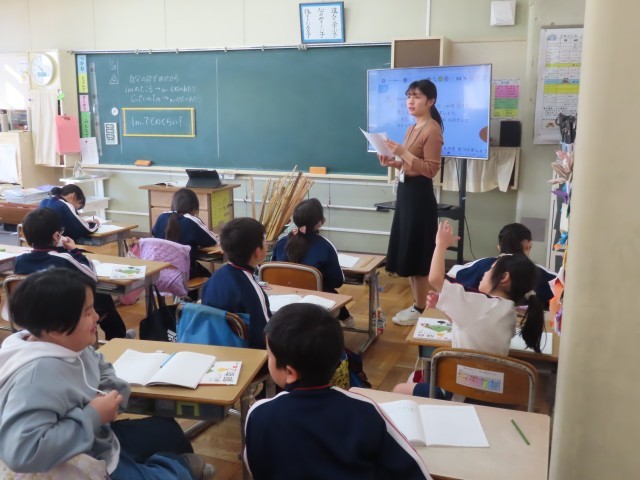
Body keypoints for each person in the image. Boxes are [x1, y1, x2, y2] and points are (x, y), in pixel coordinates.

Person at [0, 268, 214, 479]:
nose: (97, 316)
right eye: (87, 312)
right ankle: (176, 469)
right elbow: (23, 452)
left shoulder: (66, 342)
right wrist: (92, 414)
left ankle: (167, 466)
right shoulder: (34, 378)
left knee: (168, 430)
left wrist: (109, 396)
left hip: (96, 437)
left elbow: (101, 366)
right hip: (75, 462)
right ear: (56, 328)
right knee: (169, 472)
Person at [244, 303, 431, 480]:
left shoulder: (260, 414)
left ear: (291, 373)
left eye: (269, 354)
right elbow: (414, 471)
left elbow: (257, 467)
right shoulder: (364, 409)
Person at [393, 221, 545, 399]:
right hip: (489, 393)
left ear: (503, 278)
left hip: (457, 391)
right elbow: (471, 327)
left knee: (399, 389)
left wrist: (441, 245)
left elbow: (434, 279)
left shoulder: (477, 302)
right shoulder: (509, 312)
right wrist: (445, 309)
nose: (485, 274)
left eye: (490, 270)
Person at [378, 79, 444, 326]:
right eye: (409, 96)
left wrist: (402, 153)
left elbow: (430, 170)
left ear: (431, 101)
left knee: (419, 252)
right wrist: (393, 162)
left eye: (416, 96)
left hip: (419, 197)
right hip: (406, 194)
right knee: (410, 249)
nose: (411, 101)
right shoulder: (412, 128)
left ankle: (422, 307)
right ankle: (418, 305)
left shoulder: (432, 129)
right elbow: (409, 164)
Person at [15, 207, 132, 340]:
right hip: (66, 314)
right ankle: (118, 337)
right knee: (102, 297)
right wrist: (75, 250)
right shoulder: (65, 259)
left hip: (34, 314)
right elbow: (92, 275)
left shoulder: (19, 261)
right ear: (56, 236)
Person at [272, 198, 355, 328]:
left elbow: (273, 272)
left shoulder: (281, 242)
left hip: (281, 300)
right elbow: (337, 281)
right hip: (314, 303)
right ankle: (346, 319)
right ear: (320, 222)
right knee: (327, 289)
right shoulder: (325, 246)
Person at [449, 222, 557, 308]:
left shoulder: (482, 265)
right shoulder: (539, 273)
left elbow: (452, 276)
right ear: (528, 246)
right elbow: (561, 285)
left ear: (499, 247)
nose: (487, 273)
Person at [201, 217, 271, 350]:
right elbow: (266, 333)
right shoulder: (250, 287)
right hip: (249, 354)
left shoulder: (215, 277)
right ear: (257, 252)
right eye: (265, 242)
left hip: (214, 346)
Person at [152, 188, 218, 279]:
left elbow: (154, 233)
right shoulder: (191, 220)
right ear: (194, 208)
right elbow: (212, 240)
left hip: (160, 272)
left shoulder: (162, 217)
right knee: (210, 277)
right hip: (185, 273)